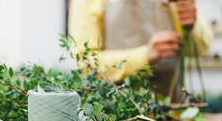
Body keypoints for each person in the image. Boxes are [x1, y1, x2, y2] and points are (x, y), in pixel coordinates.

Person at [68, 0, 213, 99]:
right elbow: (86, 62)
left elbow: (201, 47)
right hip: (116, 117)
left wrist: (191, 24)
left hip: (173, 111)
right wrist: (144, 57)